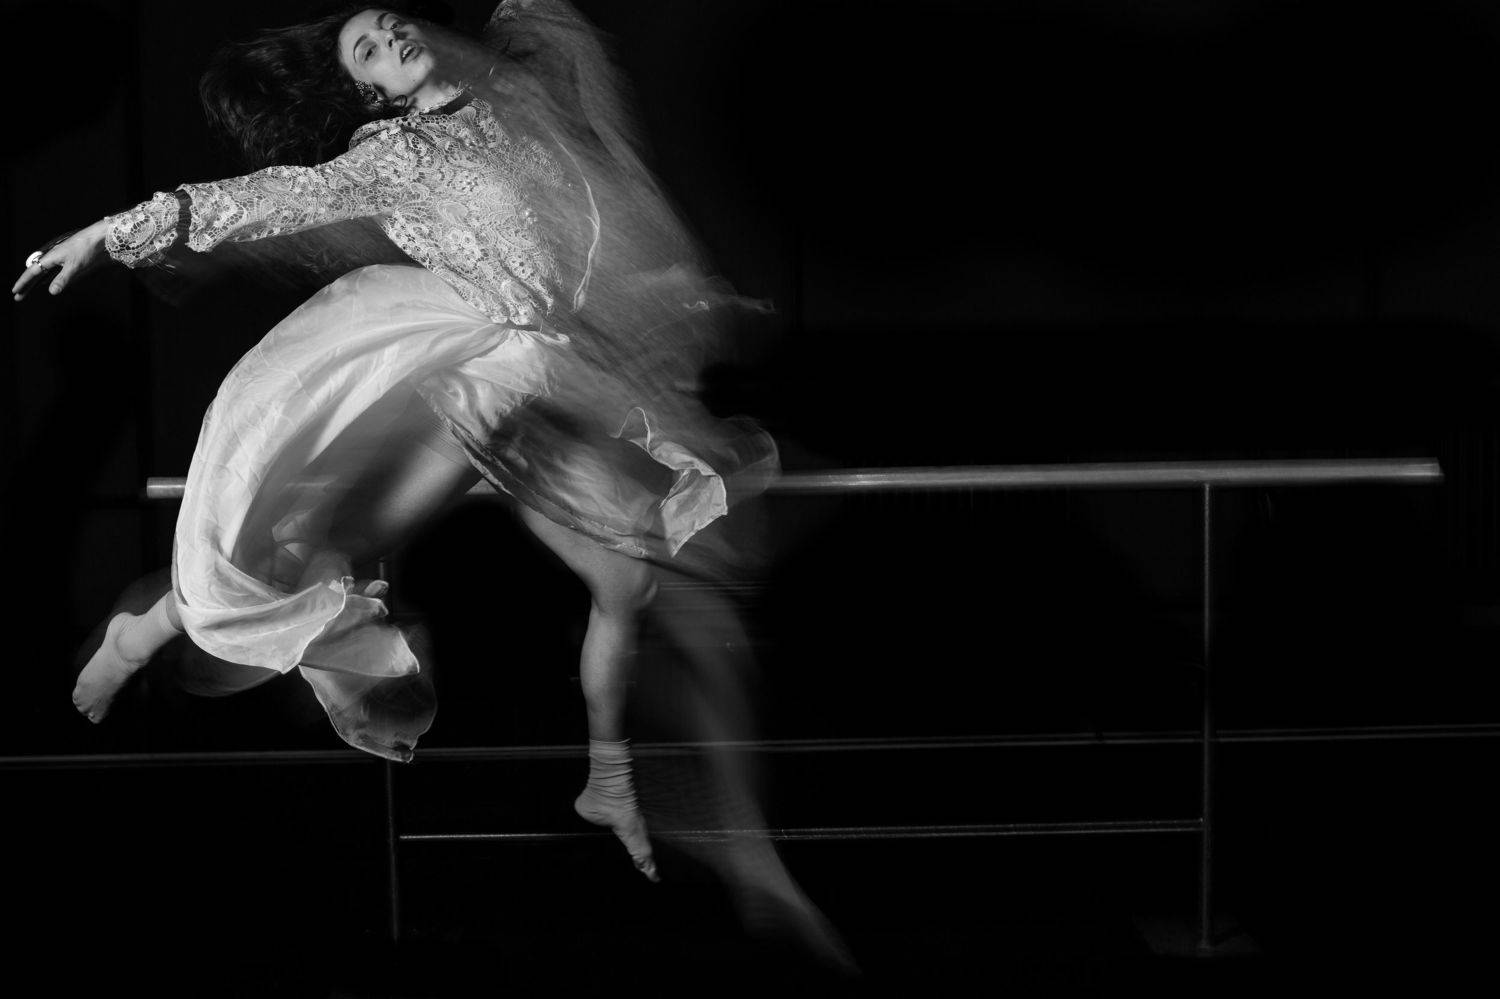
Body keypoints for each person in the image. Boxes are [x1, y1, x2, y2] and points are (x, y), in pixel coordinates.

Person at [10, 2, 780, 888]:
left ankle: (609, 781)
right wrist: (110, 234)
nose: (391, 42)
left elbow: (588, 232)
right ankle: (148, 632)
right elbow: (260, 201)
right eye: (367, 51)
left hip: (565, 370)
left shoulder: (517, 97)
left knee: (627, 584)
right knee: (325, 547)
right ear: (372, 92)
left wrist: (678, 298)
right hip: (480, 378)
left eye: (388, 25)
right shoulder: (393, 156)